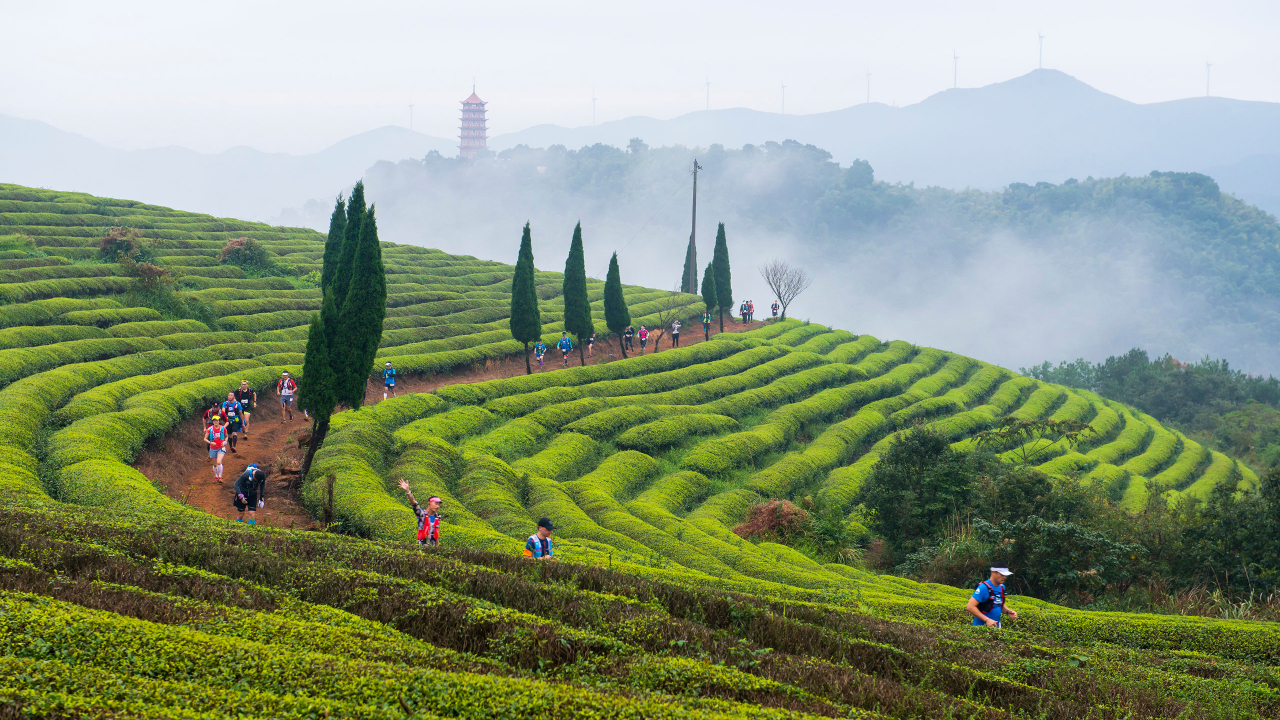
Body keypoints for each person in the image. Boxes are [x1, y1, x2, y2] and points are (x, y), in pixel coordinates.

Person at [398, 479, 443, 547]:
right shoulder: (422, 514)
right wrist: (407, 491)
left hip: (433, 548)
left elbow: (436, 533)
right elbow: (414, 503)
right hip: (422, 547)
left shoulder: (438, 517)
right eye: (436, 504)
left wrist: (437, 547)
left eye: (439, 504)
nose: (437, 506)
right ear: (429, 503)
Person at [205, 416, 228, 483]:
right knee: (215, 464)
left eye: (217, 420)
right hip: (213, 448)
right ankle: (216, 477)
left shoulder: (223, 428)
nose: (215, 422)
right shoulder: (210, 429)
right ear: (212, 422)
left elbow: (226, 436)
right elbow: (205, 438)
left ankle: (220, 477)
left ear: (219, 421)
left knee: (218, 462)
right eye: (214, 420)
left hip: (221, 448)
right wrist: (210, 443)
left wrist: (225, 442)